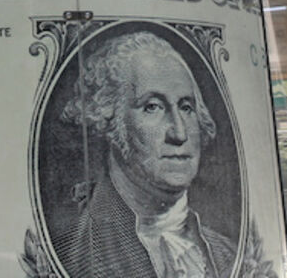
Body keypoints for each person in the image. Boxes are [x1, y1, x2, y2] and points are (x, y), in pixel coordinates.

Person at [53, 30, 235, 278]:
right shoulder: (72, 254)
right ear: (108, 118)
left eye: (186, 107)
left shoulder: (228, 253)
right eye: (153, 107)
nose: (179, 133)